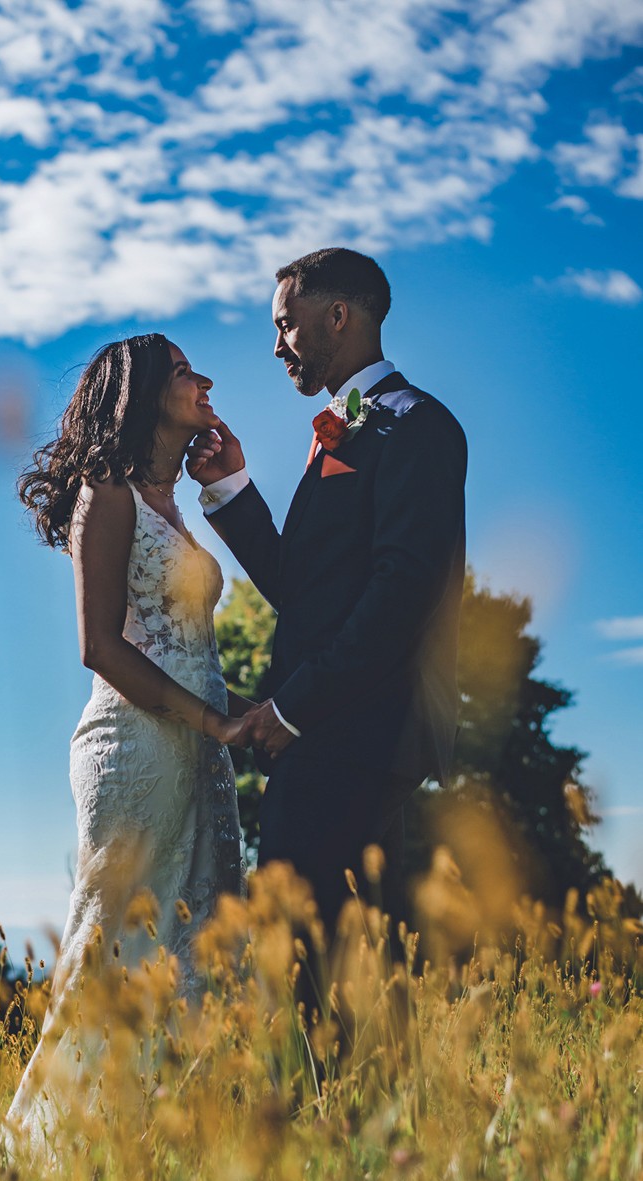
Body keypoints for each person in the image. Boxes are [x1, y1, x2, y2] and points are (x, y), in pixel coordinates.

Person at [4, 334, 248, 1153]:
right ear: (143, 395)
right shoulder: (106, 496)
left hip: (195, 745)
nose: (204, 379)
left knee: (195, 945)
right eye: (184, 372)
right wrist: (215, 721)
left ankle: (163, 1147)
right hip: (134, 751)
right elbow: (101, 647)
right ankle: (45, 1161)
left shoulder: (175, 505)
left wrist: (255, 717)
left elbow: (189, 648)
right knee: (119, 947)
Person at [188, 248, 467, 941]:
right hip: (331, 735)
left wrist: (293, 709)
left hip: (355, 734)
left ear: (337, 315)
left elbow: (404, 589)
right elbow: (308, 591)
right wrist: (231, 489)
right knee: (345, 971)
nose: (276, 345)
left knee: (307, 967)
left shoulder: (415, 425)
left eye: (286, 324)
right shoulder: (341, 428)